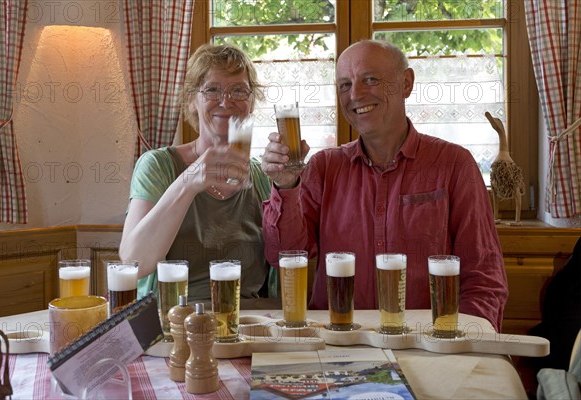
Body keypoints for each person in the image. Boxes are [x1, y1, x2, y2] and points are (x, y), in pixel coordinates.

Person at [261, 39, 508, 331]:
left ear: (406, 83)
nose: (355, 95)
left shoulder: (455, 164)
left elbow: (483, 278)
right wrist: (287, 185)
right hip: (337, 344)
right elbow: (282, 255)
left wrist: (463, 344)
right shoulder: (323, 167)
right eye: (344, 85)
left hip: (425, 344)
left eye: (370, 79)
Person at [120, 43, 271, 301]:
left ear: (252, 102)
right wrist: (190, 180)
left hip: (251, 324)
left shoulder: (262, 176)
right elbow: (134, 263)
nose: (226, 101)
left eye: (239, 90)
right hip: (175, 322)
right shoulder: (157, 165)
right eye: (212, 89)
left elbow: (293, 256)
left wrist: (292, 184)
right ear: (192, 100)